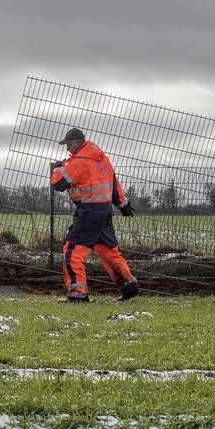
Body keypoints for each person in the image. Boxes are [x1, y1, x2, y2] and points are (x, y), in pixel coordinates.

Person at [50, 128, 139, 302]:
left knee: (73, 250)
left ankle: (77, 294)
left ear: (76, 144)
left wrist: (56, 169)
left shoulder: (79, 162)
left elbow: (59, 184)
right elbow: (114, 185)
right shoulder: (102, 159)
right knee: (108, 250)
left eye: (68, 145)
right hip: (105, 210)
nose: (68, 149)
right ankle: (129, 286)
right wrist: (123, 204)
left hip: (89, 211)